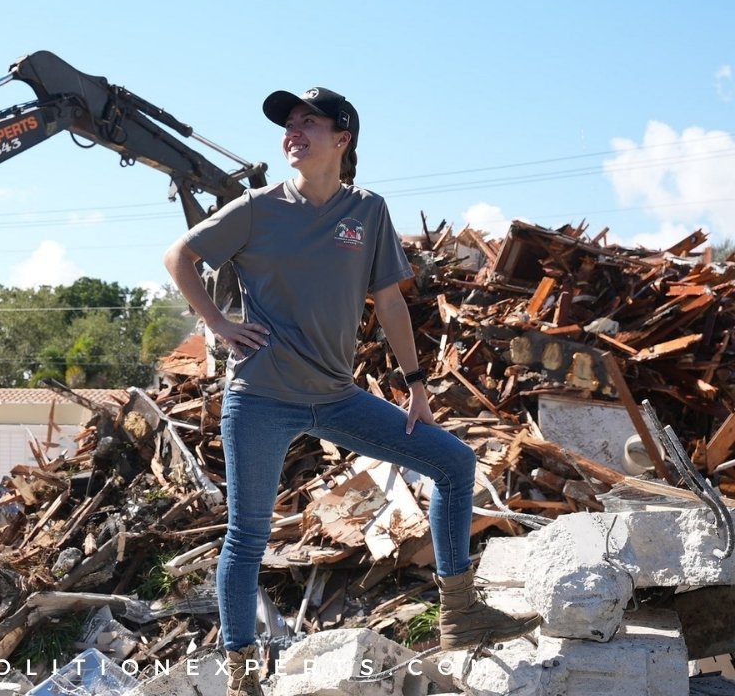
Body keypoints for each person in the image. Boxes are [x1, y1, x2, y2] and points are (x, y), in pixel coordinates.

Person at [163, 87, 541, 696]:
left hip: (336, 396)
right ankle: (241, 678)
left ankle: (460, 613)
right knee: (248, 536)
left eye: (306, 122)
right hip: (260, 396)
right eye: (287, 125)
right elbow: (178, 254)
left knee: (454, 462)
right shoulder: (257, 209)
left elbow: (390, 302)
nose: (292, 132)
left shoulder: (367, 212)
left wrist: (416, 383)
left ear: (342, 140)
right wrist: (217, 323)